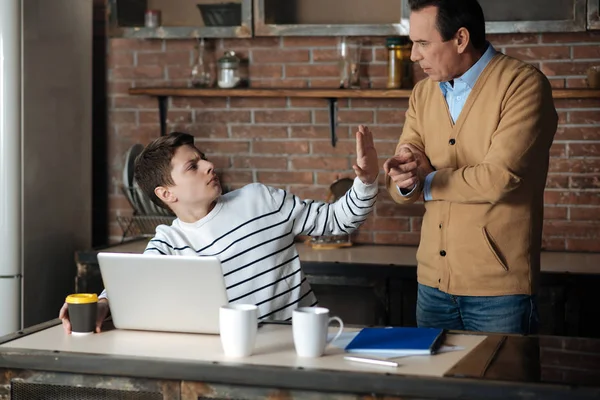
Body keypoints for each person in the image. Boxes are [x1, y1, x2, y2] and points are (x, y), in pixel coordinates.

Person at [60, 126, 379, 334]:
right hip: (230, 356)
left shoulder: (260, 199)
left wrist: (366, 181)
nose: (209, 166)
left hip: (299, 346)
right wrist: (101, 304)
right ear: (167, 194)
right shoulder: (169, 242)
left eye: (203, 159)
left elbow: (338, 221)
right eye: (192, 167)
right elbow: (131, 285)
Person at [383, 0, 558, 334]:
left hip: (498, 291)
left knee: (503, 386)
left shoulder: (522, 86)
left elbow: (500, 179)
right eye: (412, 44)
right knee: (436, 388)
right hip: (431, 285)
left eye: (423, 43)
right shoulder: (422, 94)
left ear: (460, 39)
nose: (415, 55)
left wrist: (428, 180)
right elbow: (401, 184)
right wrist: (405, 179)